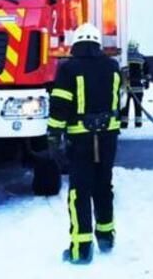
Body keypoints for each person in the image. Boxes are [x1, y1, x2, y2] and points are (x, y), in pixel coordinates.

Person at [47, 23, 124, 265]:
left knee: (80, 192)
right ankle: (105, 237)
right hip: (108, 138)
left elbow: (60, 104)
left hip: (80, 140)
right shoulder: (113, 67)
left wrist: (54, 135)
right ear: (98, 43)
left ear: (76, 43)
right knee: (104, 187)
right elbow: (117, 102)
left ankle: (81, 250)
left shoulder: (68, 69)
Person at [122, 40, 150, 128]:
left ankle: (124, 123)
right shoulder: (142, 58)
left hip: (126, 87)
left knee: (124, 107)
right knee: (138, 106)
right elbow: (147, 72)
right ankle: (138, 123)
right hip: (138, 86)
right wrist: (147, 82)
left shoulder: (124, 58)